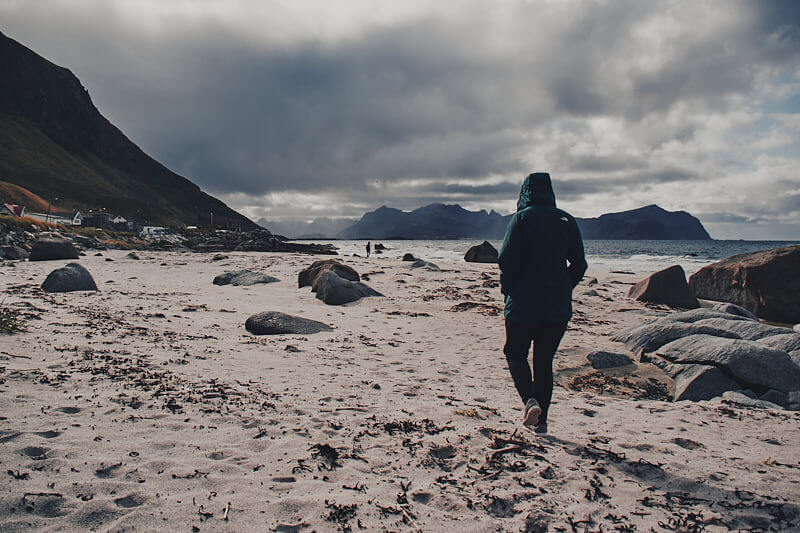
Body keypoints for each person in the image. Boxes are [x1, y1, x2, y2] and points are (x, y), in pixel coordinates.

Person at [498, 172, 587, 434]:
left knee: (514, 353)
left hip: (523, 304)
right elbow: (579, 264)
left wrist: (512, 287)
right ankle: (542, 422)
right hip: (557, 307)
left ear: (524, 192)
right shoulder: (566, 220)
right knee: (544, 362)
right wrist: (564, 286)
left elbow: (505, 259)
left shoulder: (521, 218)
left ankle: (530, 402)